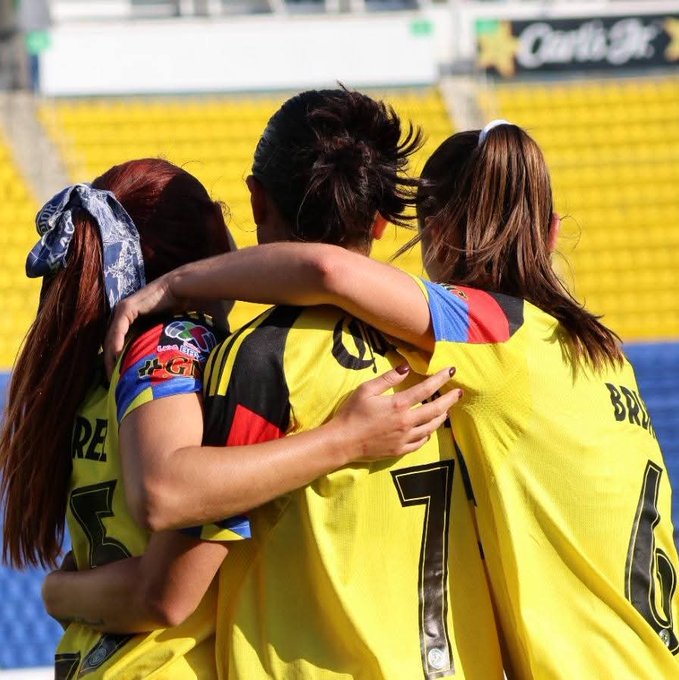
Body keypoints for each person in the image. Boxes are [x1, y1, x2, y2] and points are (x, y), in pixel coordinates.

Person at [108, 121, 679, 679]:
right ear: (552, 233)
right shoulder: (602, 355)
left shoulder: (494, 333)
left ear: (432, 229)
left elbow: (329, 269)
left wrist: (177, 284)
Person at [0, 158, 456, 680]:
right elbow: (165, 597)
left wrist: (59, 591)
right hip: (163, 665)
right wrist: (345, 439)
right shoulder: (183, 348)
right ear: (202, 243)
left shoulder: (88, 371)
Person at [108, 90, 507, 680]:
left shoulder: (261, 360)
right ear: (379, 218)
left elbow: (168, 515)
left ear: (256, 199)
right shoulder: (452, 343)